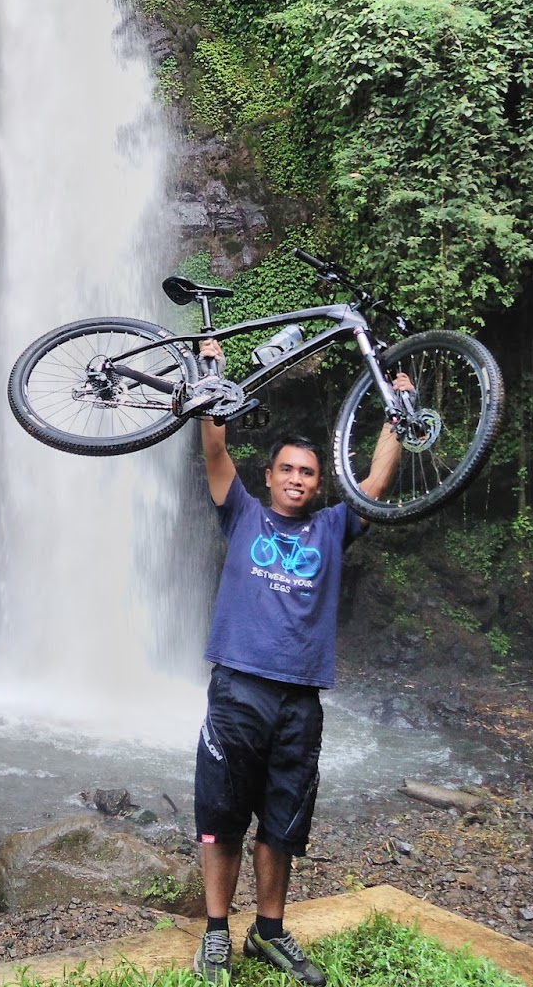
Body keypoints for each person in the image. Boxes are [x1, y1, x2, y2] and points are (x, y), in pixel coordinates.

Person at [190, 339, 412, 987]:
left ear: (318, 484)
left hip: (300, 700)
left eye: (307, 473)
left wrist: (396, 412)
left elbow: (376, 481)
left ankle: (269, 930)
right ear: (270, 476)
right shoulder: (242, 514)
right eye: (287, 469)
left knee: (283, 823)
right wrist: (213, 373)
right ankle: (213, 933)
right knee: (221, 818)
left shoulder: (333, 529)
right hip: (237, 689)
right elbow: (213, 449)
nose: (296, 479)